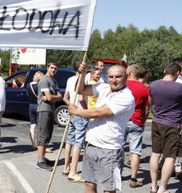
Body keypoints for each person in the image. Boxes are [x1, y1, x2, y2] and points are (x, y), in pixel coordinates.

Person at [68, 64, 135, 193]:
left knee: (109, 189)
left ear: (126, 77)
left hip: (109, 150)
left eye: (118, 76)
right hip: (92, 145)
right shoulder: (103, 87)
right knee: (89, 185)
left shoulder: (126, 97)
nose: (114, 80)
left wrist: (77, 112)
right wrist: (82, 74)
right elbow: (81, 89)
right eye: (111, 76)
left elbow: (98, 112)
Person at [149, 62, 182, 193]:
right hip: (172, 124)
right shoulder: (179, 87)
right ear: (177, 73)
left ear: (165, 71)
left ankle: (153, 186)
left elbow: (150, 101)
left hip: (156, 121)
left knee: (155, 154)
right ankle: (162, 188)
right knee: (170, 157)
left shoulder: (153, 84)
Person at [123, 64, 150, 188]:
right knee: (135, 150)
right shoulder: (144, 88)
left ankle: (116, 173)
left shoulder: (122, 85)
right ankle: (133, 178)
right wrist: (143, 121)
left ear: (129, 73)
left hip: (121, 120)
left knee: (118, 148)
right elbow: (147, 108)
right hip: (137, 120)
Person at [62, 59, 88, 182]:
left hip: (73, 112)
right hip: (80, 113)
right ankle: (72, 171)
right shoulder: (84, 79)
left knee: (69, 140)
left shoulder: (69, 79)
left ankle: (66, 167)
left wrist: (70, 105)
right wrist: (86, 111)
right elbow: (82, 98)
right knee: (78, 142)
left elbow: (65, 97)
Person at [35, 61, 64, 170]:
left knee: (48, 135)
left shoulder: (54, 81)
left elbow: (59, 96)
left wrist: (53, 97)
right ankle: (40, 161)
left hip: (51, 109)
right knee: (43, 135)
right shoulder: (44, 80)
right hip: (44, 110)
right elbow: (51, 97)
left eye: (55, 68)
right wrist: (53, 97)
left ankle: (43, 158)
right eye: (51, 68)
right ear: (47, 68)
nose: (53, 70)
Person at [27, 71, 43, 151]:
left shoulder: (28, 85)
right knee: (40, 126)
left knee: (32, 125)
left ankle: (33, 144)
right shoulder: (39, 86)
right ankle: (40, 144)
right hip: (38, 105)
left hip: (31, 105)